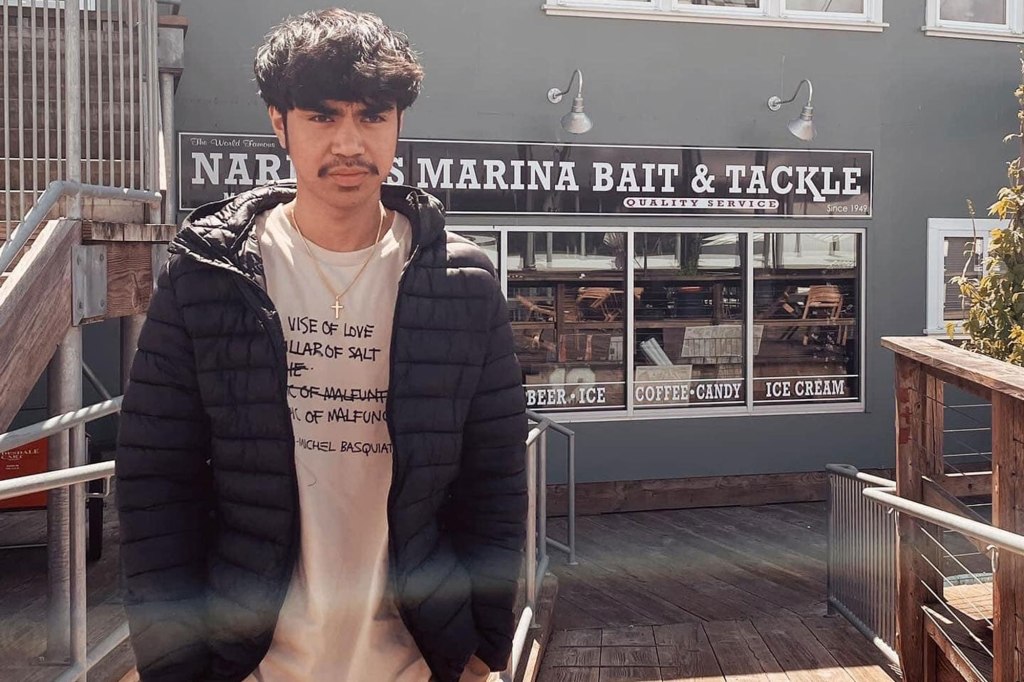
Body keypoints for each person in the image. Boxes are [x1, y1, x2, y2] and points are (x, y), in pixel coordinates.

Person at [115, 9, 528, 682]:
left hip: (416, 660)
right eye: (321, 117)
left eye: (371, 116)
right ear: (279, 122)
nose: (348, 142)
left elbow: (494, 480)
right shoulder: (207, 277)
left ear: (398, 123)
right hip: (251, 663)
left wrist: (483, 647)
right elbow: (158, 482)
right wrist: (173, 663)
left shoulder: (461, 283)